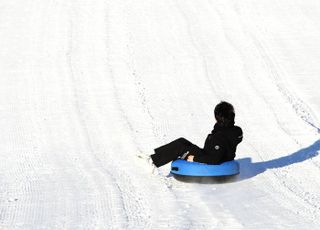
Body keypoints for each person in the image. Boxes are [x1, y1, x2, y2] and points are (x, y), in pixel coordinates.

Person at [148, 101, 243, 169]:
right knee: (182, 141)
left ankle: (152, 161)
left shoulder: (220, 137)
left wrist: (194, 158)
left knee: (179, 147)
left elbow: (214, 159)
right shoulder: (234, 129)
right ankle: (155, 156)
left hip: (210, 159)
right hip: (212, 154)